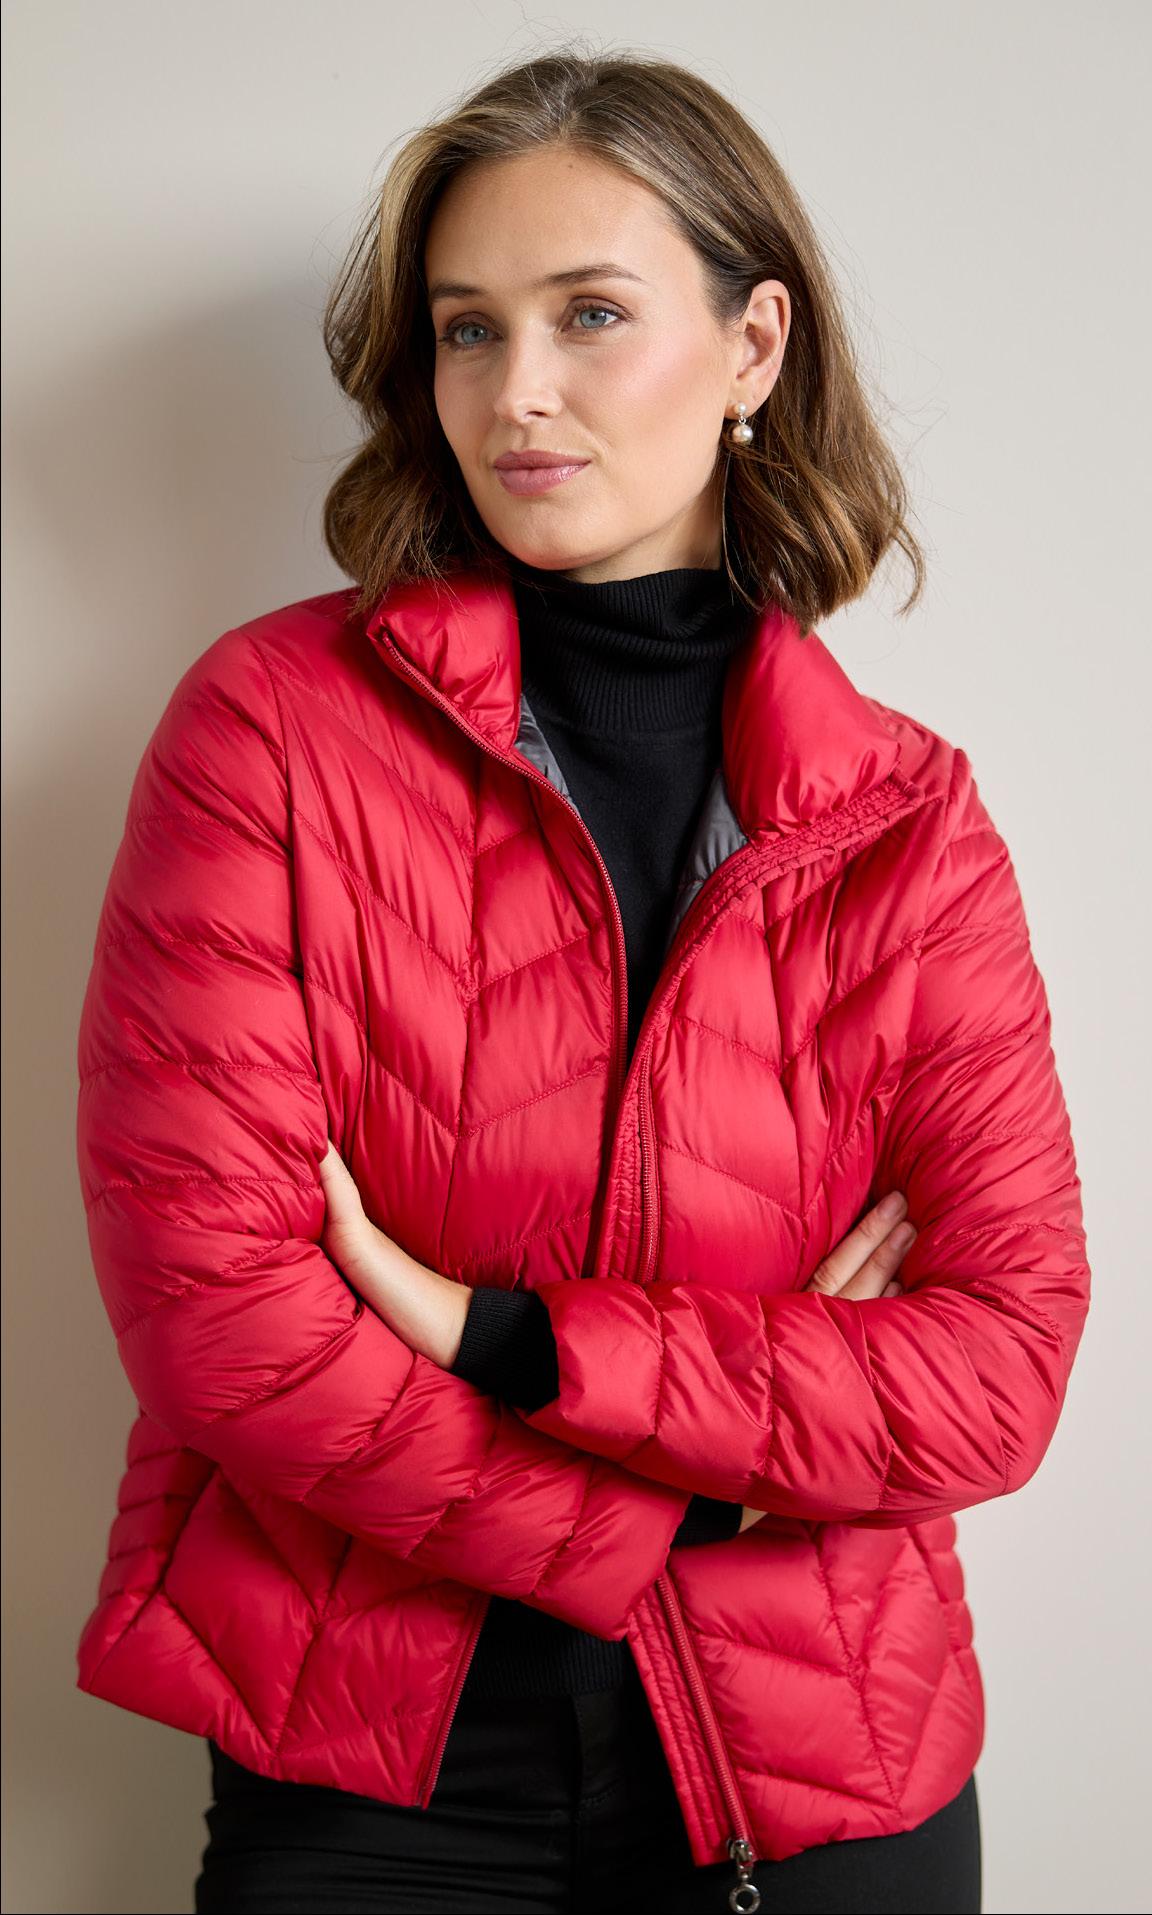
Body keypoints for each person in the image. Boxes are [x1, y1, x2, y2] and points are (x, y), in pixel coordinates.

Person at [73, 46, 1089, 1915]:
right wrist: (700, 1485)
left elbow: (998, 1365)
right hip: (379, 1779)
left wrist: (505, 1339)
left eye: (590, 314)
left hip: (820, 1769)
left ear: (754, 348)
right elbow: (222, 1316)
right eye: (468, 329)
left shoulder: (910, 821)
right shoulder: (271, 734)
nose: (515, 391)